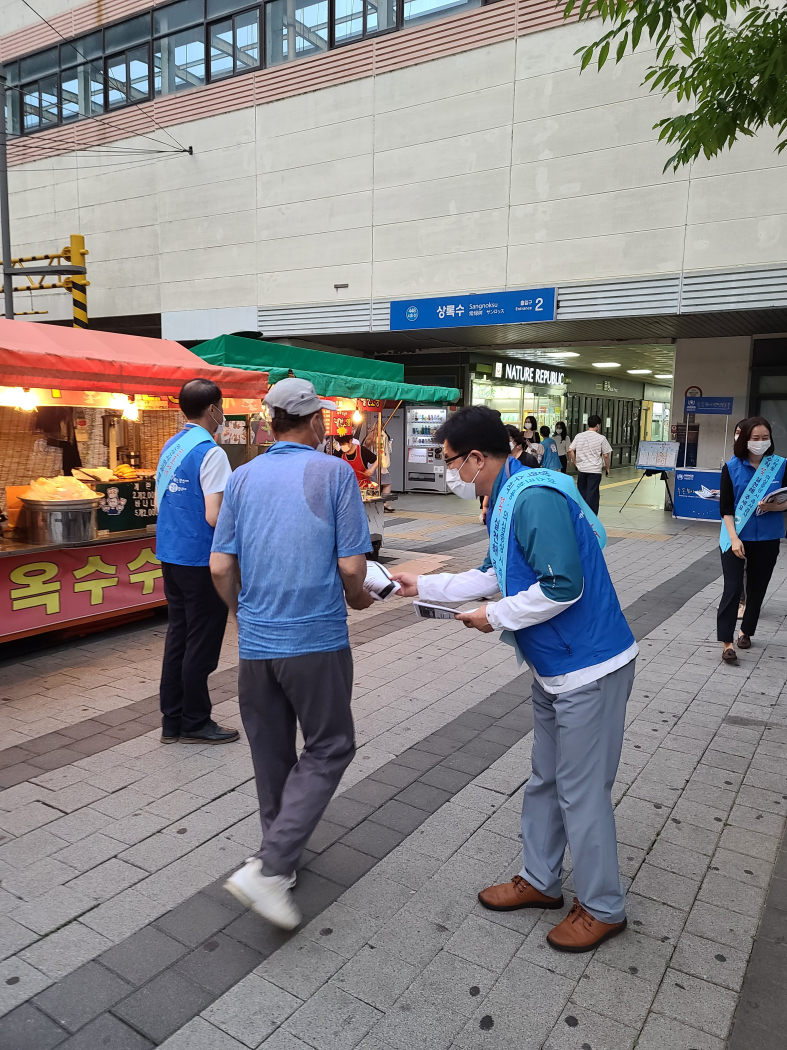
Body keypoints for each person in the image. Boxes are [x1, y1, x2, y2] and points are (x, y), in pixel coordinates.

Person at [393, 406, 637, 953]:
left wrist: (495, 617)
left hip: (589, 667)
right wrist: (424, 586)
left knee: (581, 792)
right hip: (553, 667)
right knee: (545, 780)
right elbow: (491, 573)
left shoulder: (532, 497)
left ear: (478, 458)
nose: (448, 472)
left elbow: (561, 587)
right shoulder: (504, 498)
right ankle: (540, 880)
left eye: (451, 461)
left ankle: (602, 906)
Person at [210, 377, 374, 930]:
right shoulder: (333, 474)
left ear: (269, 422)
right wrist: (357, 599)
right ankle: (273, 864)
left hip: (256, 644)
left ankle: (277, 857)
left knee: (271, 751)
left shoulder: (242, 476)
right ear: (315, 421)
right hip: (315, 639)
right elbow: (353, 567)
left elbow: (219, 566)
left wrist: (242, 613)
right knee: (330, 745)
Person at [155, 379, 239, 746]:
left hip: (170, 555)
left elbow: (161, 505)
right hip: (201, 560)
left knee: (178, 637)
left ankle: (172, 720)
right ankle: (195, 720)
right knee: (201, 643)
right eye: (221, 407)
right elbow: (214, 515)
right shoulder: (211, 452)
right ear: (212, 409)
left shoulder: (171, 446)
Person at [718, 416, 787, 664]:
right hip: (735, 537)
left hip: (767, 538)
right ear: (745, 439)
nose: (760, 442)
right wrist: (734, 539)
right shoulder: (731, 467)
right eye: (755, 438)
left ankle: (746, 632)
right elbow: (725, 508)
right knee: (734, 588)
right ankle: (726, 642)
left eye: (764, 438)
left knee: (757, 589)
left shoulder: (780, 466)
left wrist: (775, 507)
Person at [568, 415, 611, 515]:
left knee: (581, 494)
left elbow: (570, 450)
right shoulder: (601, 438)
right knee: (592, 496)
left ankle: (581, 515)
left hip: (582, 470)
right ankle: (591, 518)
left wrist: (576, 463)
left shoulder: (579, 436)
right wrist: (607, 468)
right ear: (597, 425)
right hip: (594, 471)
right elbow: (606, 455)